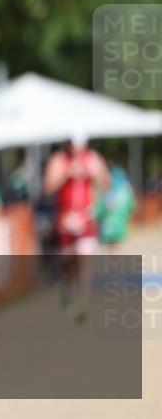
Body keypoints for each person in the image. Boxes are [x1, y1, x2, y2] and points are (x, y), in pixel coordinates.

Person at [43, 131, 110, 322]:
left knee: (84, 259)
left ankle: (83, 301)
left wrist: (95, 175)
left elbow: (106, 183)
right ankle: (67, 291)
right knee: (67, 261)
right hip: (65, 219)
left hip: (86, 218)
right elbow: (48, 187)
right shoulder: (59, 160)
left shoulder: (93, 158)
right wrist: (66, 174)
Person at [95, 164, 136, 252]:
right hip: (119, 227)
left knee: (110, 250)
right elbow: (131, 207)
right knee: (116, 249)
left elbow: (99, 211)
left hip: (107, 227)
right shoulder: (126, 191)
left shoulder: (105, 191)